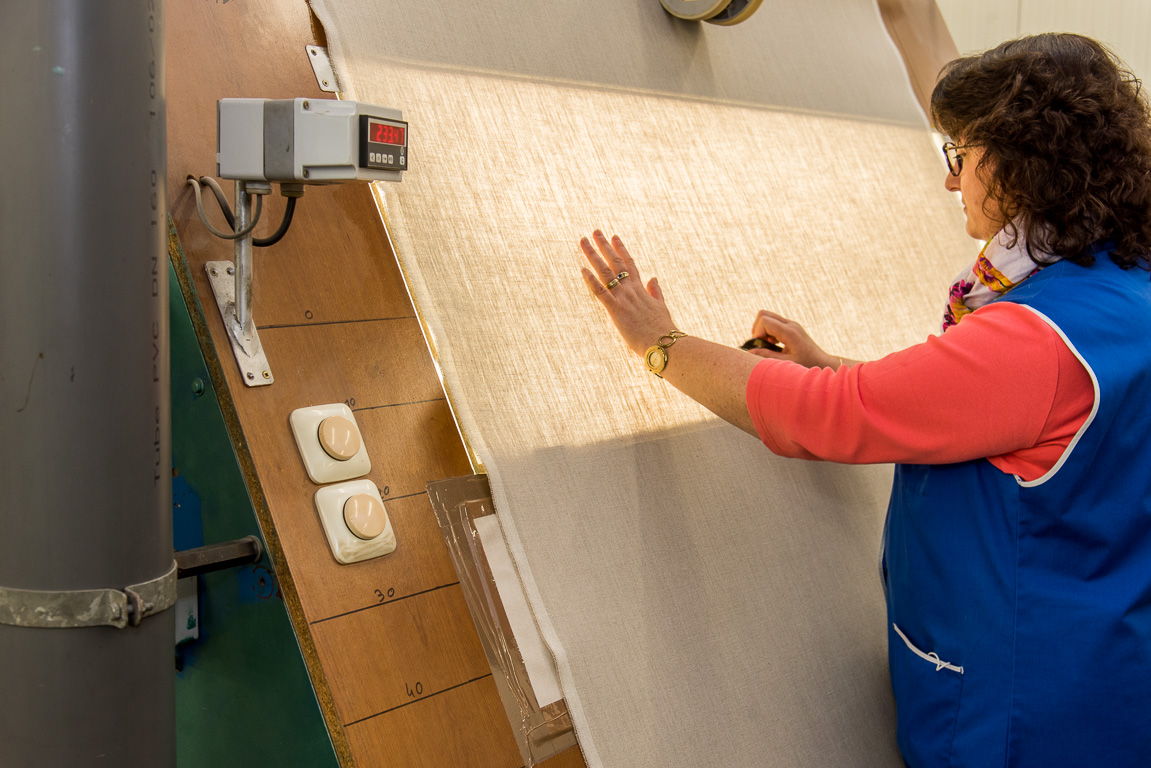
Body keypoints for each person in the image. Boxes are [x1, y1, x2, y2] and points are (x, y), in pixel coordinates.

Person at [578, 33, 1151, 767]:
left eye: (961, 156)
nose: (952, 183)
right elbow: (1007, 416)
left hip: (1015, 714)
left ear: (1020, 164)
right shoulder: (1121, 289)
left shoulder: (1037, 339)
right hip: (1100, 682)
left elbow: (831, 417)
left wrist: (661, 344)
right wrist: (827, 361)